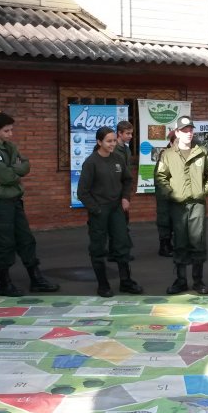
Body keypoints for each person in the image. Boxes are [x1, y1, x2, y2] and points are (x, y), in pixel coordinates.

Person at [0, 112, 59, 297]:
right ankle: (4, 283)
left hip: (15, 201)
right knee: (5, 242)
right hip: (1, 203)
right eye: (6, 131)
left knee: (26, 239)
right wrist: (13, 172)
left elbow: (26, 165)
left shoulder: (11, 147)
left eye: (11, 130)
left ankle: (36, 279)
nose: (10, 134)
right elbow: (7, 177)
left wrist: (12, 172)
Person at [77, 127, 142, 297]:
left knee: (122, 244)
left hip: (116, 209)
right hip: (99, 211)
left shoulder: (118, 158)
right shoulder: (91, 162)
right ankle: (103, 285)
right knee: (98, 247)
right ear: (99, 142)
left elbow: (127, 180)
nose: (112, 144)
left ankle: (126, 282)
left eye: (114, 140)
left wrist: (125, 197)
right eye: (109, 141)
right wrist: (96, 209)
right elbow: (82, 192)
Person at [155, 115, 208, 295]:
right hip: (177, 205)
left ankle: (198, 281)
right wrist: (172, 194)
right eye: (184, 130)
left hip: (197, 204)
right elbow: (160, 178)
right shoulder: (167, 155)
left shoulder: (202, 152)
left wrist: (204, 191)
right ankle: (180, 280)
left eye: (190, 130)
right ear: (177, 133)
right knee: (180, 243)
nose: (189, 133)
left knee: (198, 242)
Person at [109, 120, 135, 262]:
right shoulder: (113, 149)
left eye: (131, 133)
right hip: (114, 190)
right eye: (128, 133)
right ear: (119, 133)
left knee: (123, 221)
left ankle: (118, 250)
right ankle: (117, 252)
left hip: (123, 189)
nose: (130, 136)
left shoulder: (126, 149)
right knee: (117, 222)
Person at [154, 130, 176, 257]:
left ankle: (173, 244)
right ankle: (164, 246)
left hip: (178, 194)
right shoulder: (165, 156)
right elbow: (160, 178)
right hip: (166, 195)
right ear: (171, 142)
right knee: (165, 219)